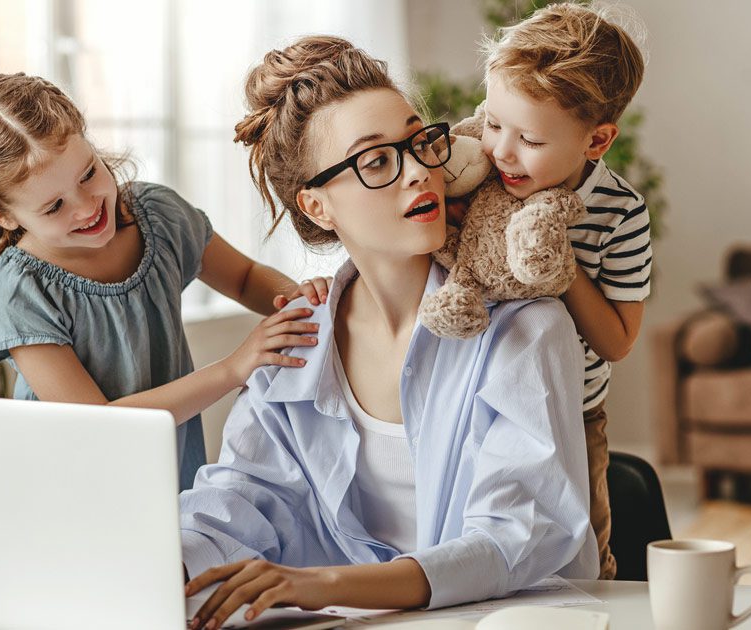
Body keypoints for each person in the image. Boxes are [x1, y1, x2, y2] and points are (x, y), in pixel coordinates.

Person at [180, 36, 597, 629]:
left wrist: (320, 583)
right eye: (377, 161)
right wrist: (172, 559)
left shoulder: (525, 330)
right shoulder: (296, 342)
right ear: (317, 206)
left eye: (418, 142)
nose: (419, 173)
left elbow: (517, 537)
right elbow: (239, 500)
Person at [0, 73, 328, 491]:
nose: (88, 207)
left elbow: (247, 278)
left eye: (88, 174)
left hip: (167, 474)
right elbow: (101, 425)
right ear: (2, 216)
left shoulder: (159, 216)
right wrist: (234, 368)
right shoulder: (18, 293)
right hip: (72, 493)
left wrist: (298, 302)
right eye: (54, 206)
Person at [469, 2, 653, 579]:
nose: (502, 150)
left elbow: (620, 341)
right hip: (477, 399)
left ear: (596, 141)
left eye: (529, 139)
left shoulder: (620, 213)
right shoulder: (477, 172)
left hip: (571, 413)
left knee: (581, 554)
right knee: (478, 546)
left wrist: (561, 267)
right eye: (493, 123)